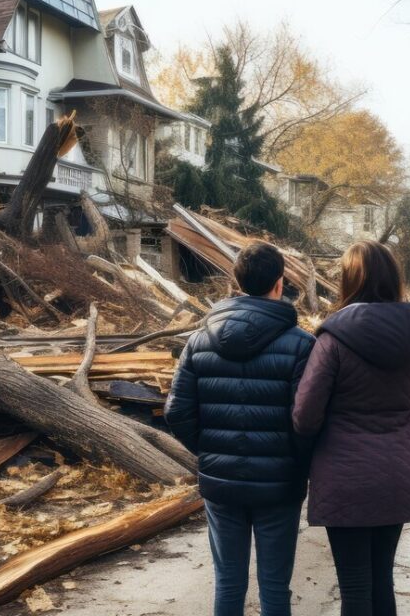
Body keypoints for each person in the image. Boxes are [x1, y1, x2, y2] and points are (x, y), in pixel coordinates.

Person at [165, 242, 315, 616]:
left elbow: (176, 412)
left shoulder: (198, 342)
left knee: (228, 581)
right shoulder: (302, 346)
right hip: (280, 482)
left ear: (236, 281)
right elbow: (307, 418)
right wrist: (296, 460)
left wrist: (211, 449)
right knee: (275, 586)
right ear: (279, 284)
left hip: (221, 480)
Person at [292, 241, 410, 616]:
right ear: (393, 277)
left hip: (345, 478)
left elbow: (305, 416)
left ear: (349, 279)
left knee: (356, 587)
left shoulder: (332, 339)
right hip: (398, 473)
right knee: (382, 580)